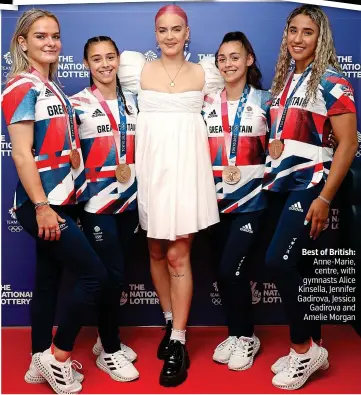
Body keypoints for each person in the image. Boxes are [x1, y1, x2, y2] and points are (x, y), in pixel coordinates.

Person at [1, 10, 107, 394]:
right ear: (22, 42)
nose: (50, 42)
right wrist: (43, 206)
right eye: (41, 36)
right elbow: (22, 155)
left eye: (55, 36)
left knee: (47, 281)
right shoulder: (20, 86)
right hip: (40, 204)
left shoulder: (51, 85)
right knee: (94, 276)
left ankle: (35, 361)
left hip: (62, 200)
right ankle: (56, 358)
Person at [117, 4, 222, 387]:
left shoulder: (206, 72)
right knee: (157, 252)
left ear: (188, 32)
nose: (170, 36)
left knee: (179, 253)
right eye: (163, 30)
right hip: (151, 173)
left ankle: (178, 338)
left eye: (177, 29)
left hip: (187, 174)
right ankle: (167, 319)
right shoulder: (135, 69)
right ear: (155, 34)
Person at [263, 4, 358, 390]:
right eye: (293, 31)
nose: (298, 39)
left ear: (321, 39)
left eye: (308, 32)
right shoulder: (286, 80)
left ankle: (303, 351)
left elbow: (348, 144)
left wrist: (325, 198)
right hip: (283, 186)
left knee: (277, 263)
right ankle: (314, 343)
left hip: (311, 186)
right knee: (297, 267)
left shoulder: (332, 81)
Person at [70, 36, 139, 382]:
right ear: (86, 65)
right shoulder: (77, 104)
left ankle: (102, 337)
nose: (105, 64)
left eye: (110, 57)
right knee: (109, 276)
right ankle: (110, 350)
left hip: (131, 202)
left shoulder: (135, 102)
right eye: (96, 59)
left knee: (118, 274)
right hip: (97, 204)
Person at [202, 31, 270, 371]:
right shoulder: (206, 103)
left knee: (232, 270)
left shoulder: (266, 101)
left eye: (235, 56)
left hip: (252, 202)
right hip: (213, 203)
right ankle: (235, 332)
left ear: (249, 60)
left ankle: (246, 337)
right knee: (224, 273)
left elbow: (281, 147)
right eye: (222, 58)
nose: (228, 63)